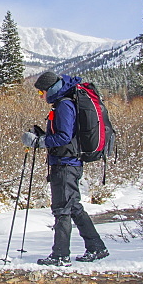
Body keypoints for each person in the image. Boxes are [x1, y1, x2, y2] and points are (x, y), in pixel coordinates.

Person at [21, 70, 109, 267]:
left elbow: (64, 137)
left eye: (40, 92)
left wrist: (39, 141)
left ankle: (60, 255)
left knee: (62, 210)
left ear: (50, 89)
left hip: (65, 165)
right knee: (74, 207)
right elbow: (64, 135)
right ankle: (96, 247)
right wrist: (42, 135)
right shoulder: (64, 103)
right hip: (68, 163)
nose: (41, 96)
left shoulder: (64, 105)